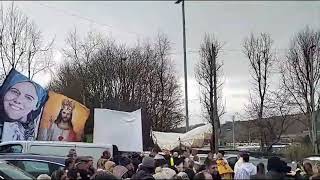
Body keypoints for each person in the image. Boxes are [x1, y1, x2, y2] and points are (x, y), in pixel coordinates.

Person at [0, 69, 47, 141]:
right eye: (14, 92)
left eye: (28, 98)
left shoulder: (35, 137)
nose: (18, 100)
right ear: (5, 93)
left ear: (36, 106)